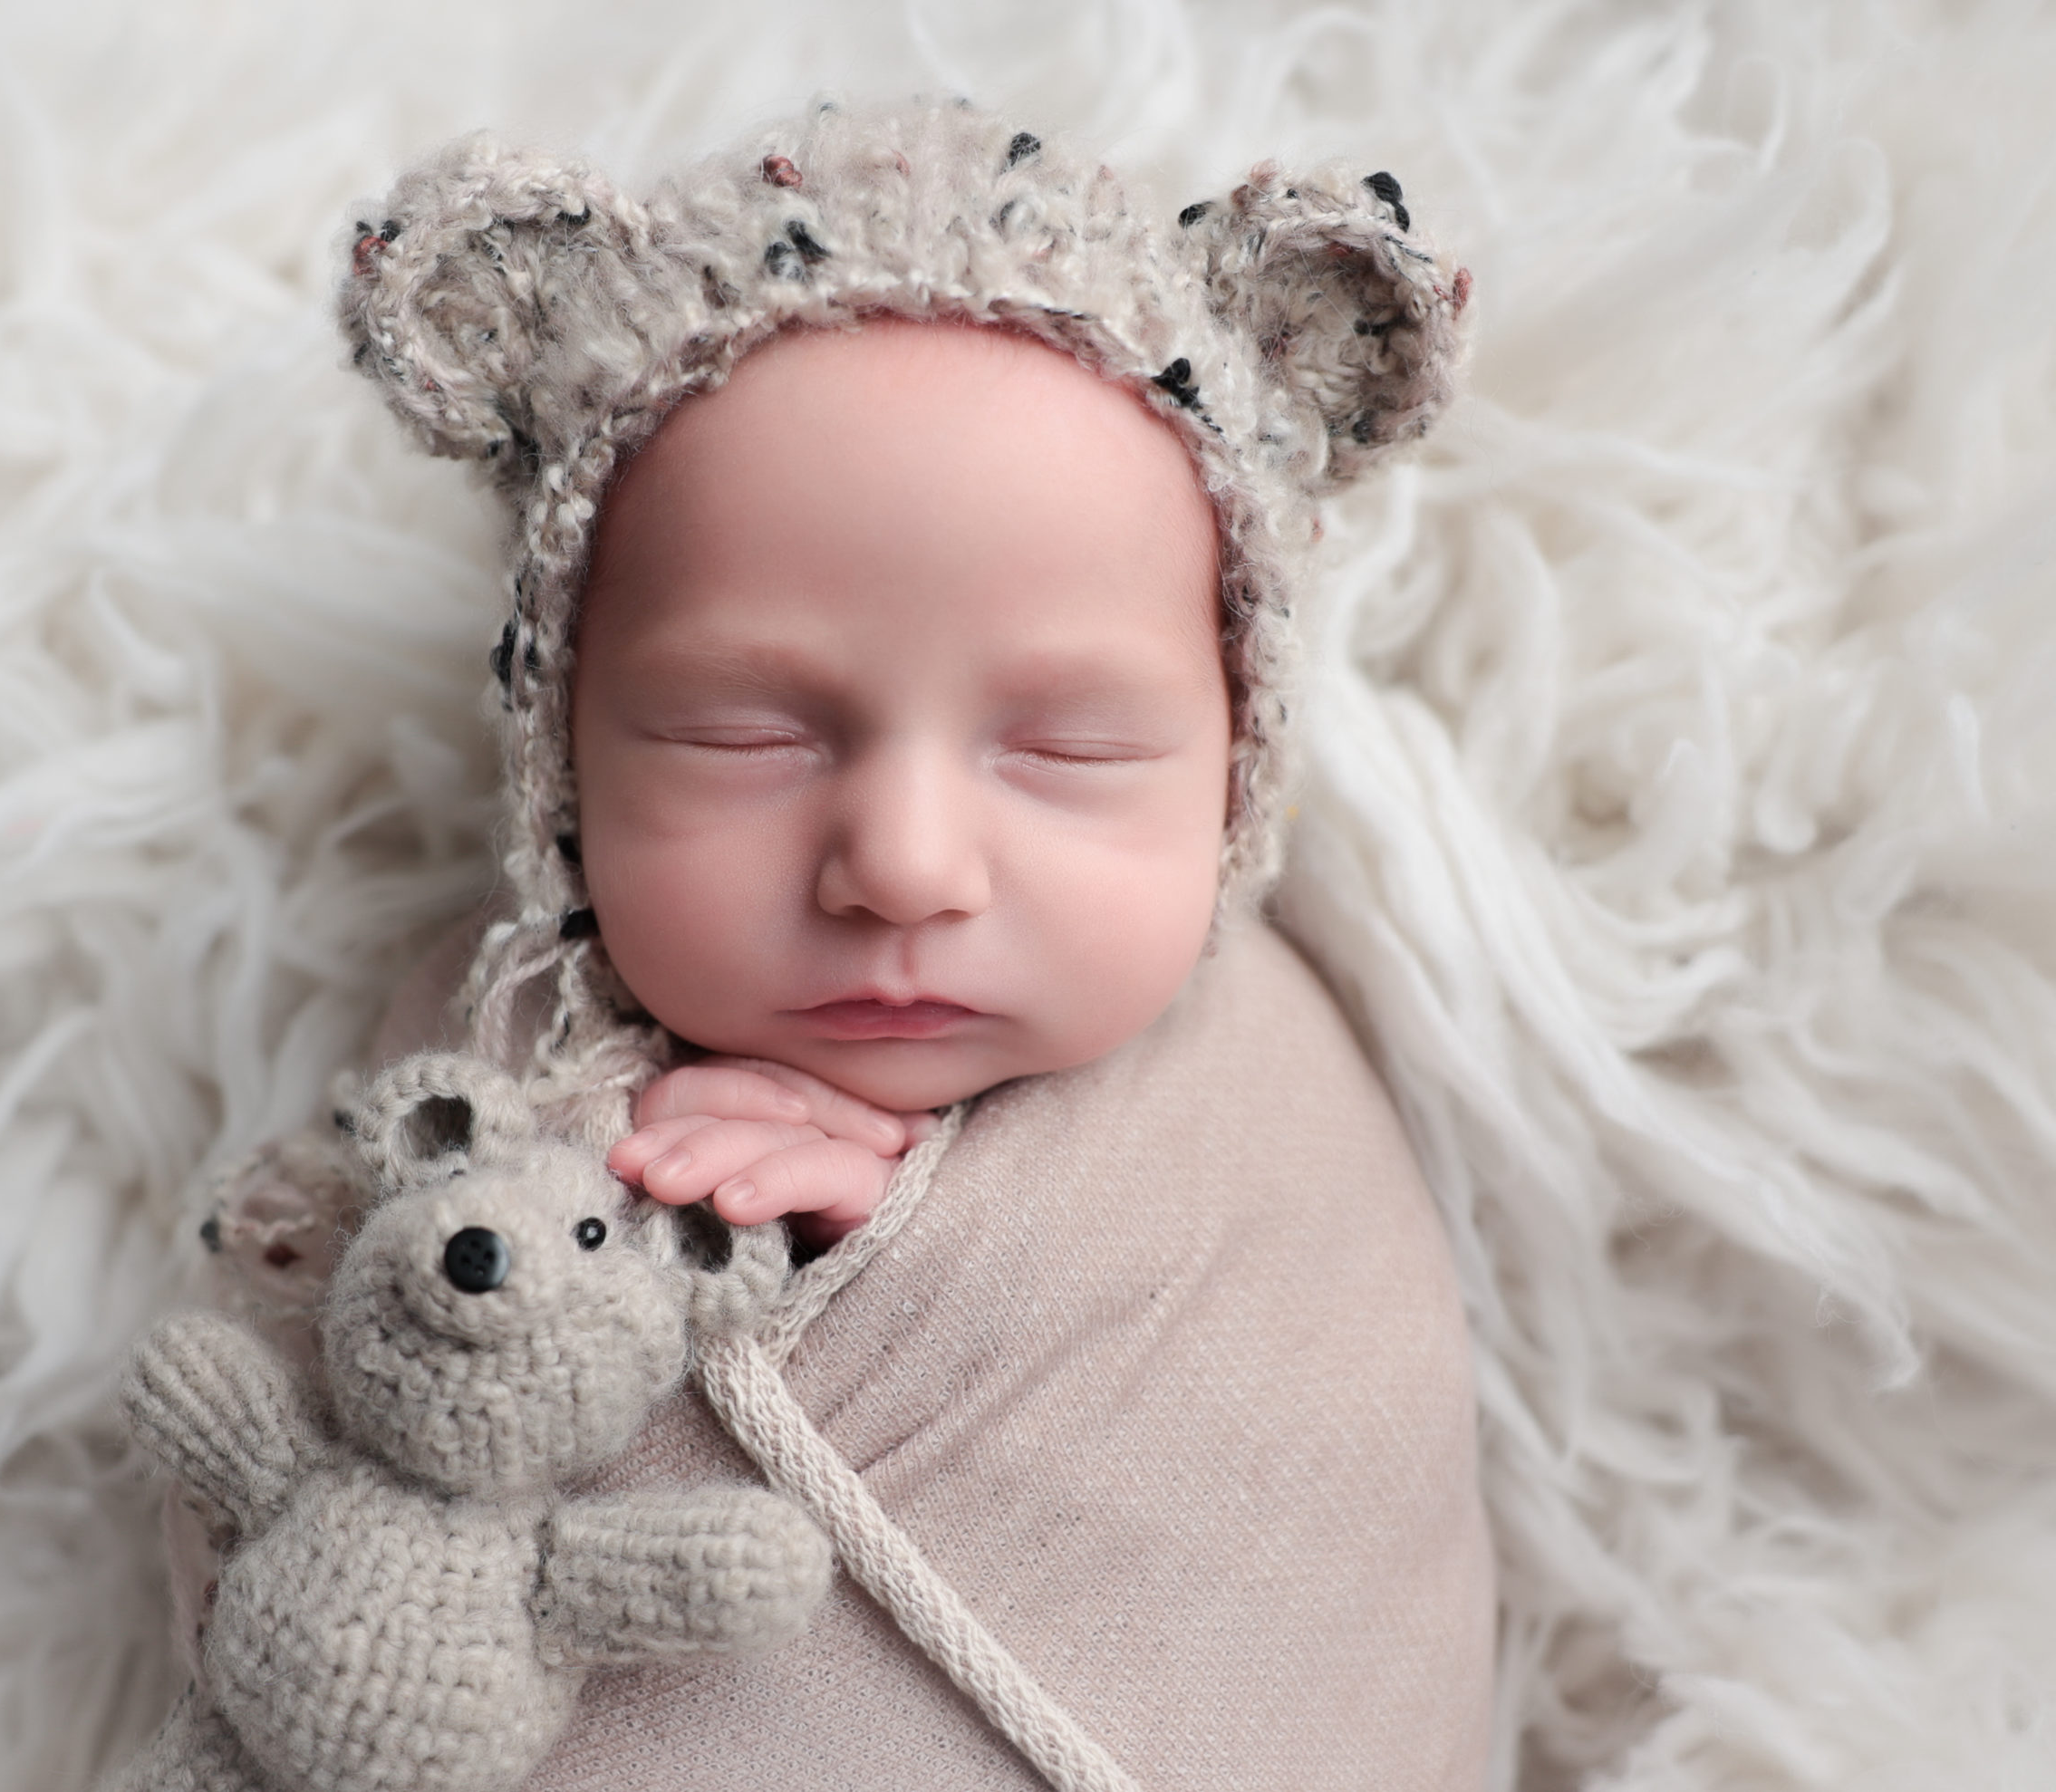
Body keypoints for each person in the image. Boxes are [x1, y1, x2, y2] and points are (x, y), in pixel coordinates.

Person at [179, 100, 1492, 1789]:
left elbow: (1319, 1564)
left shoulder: (1265, 1134)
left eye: (1072, 747)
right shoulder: (460, 1070)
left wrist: (922, 1246)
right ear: (566, 754)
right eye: (748, 736)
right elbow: (298, 1537)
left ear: (1231, 764)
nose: (903, 862)